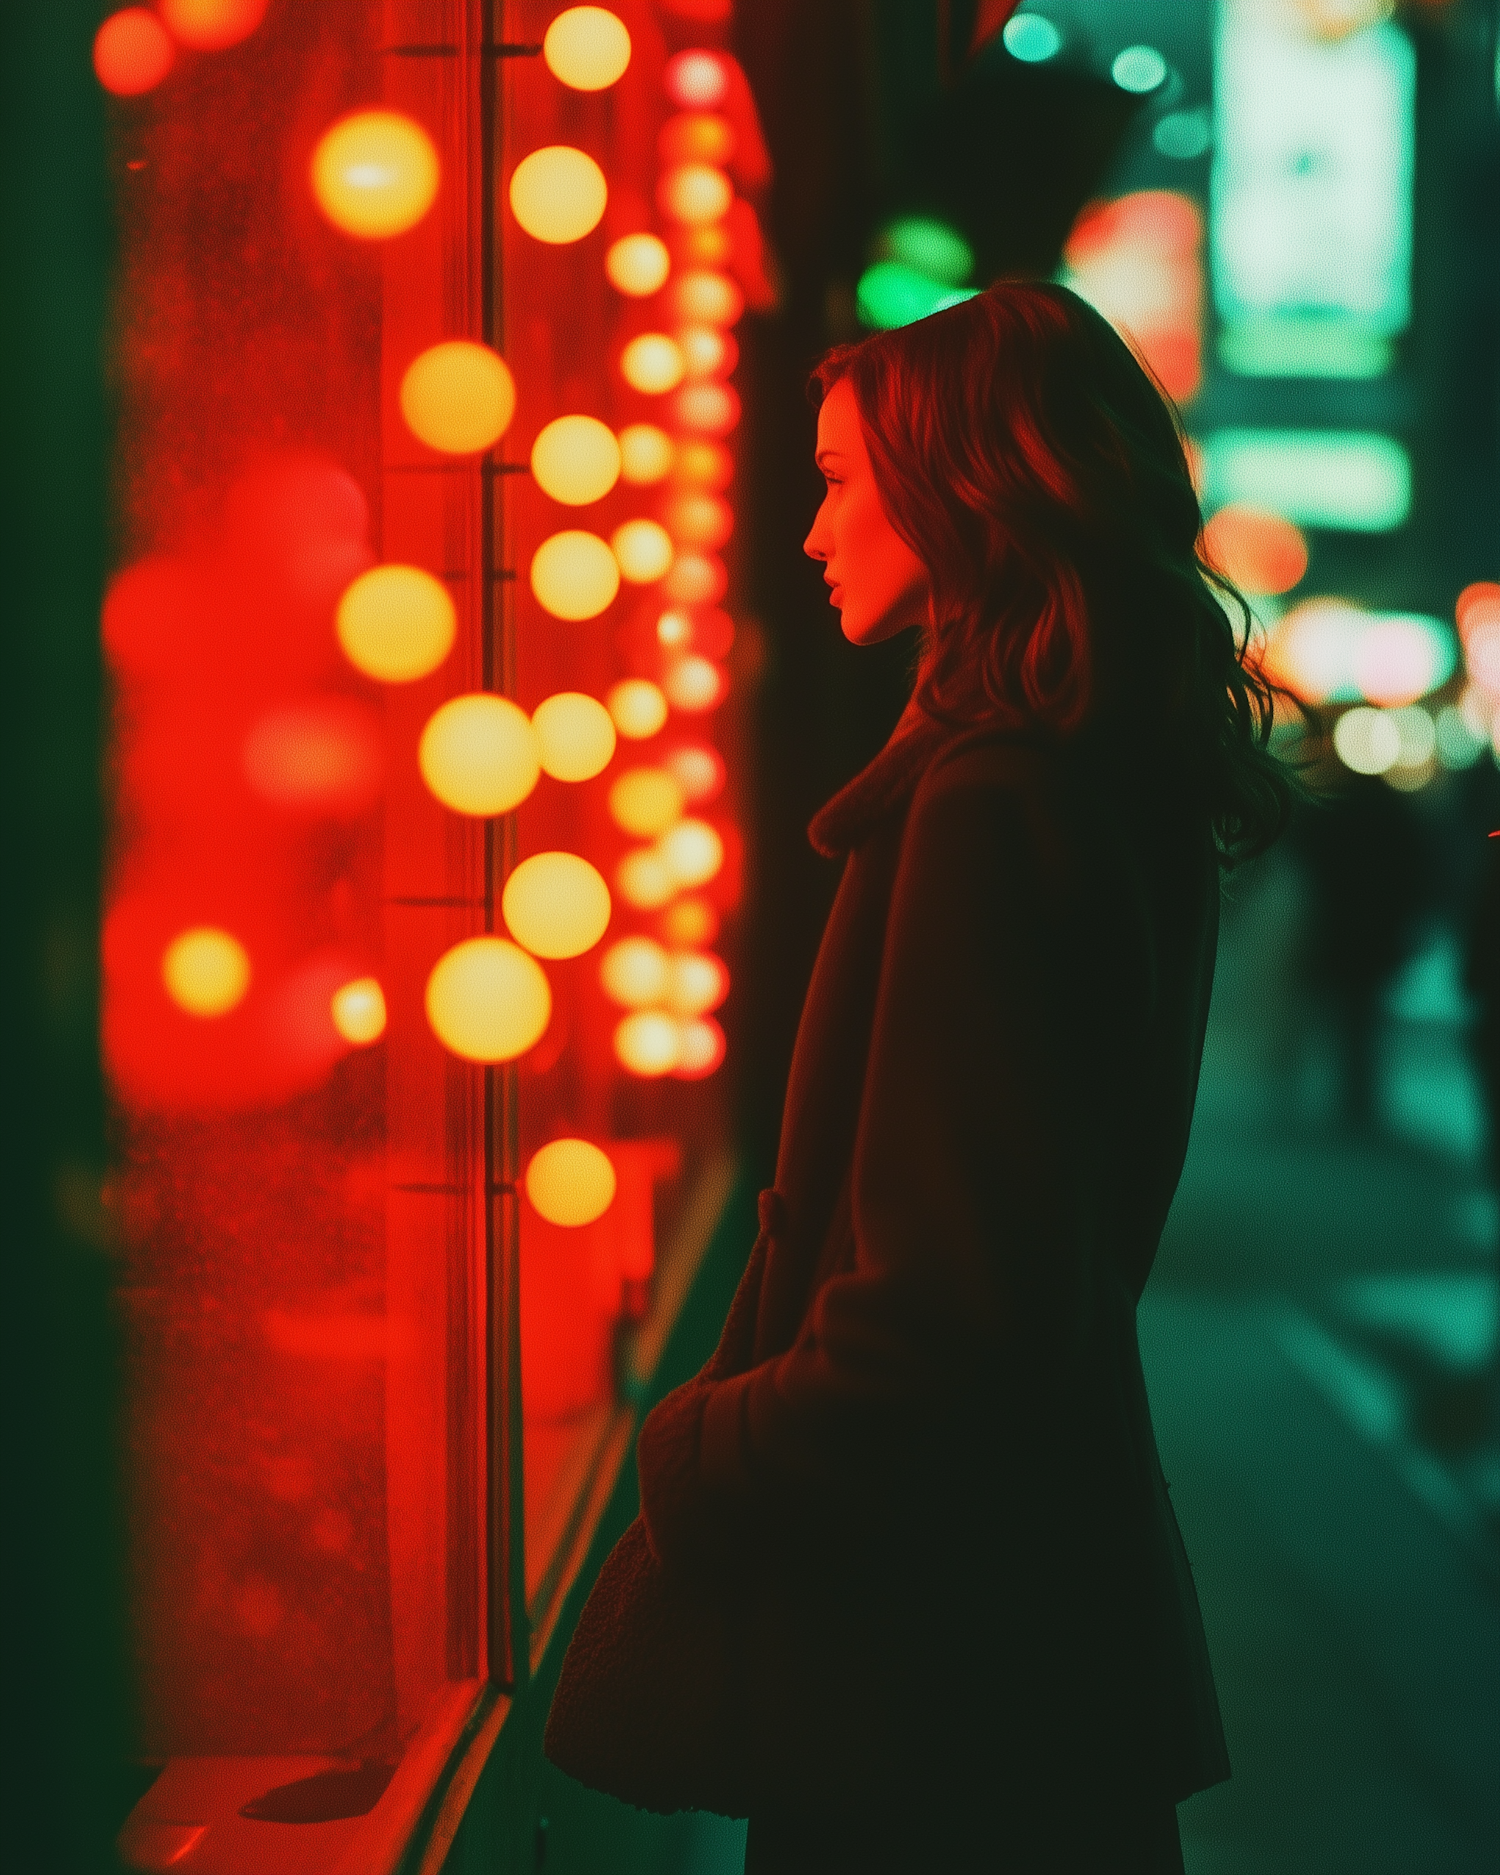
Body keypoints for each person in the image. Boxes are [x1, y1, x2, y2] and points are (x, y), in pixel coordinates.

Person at [547, 282, 1302, 1872]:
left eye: (834, 479)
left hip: (932, 1662)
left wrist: (696, 1448)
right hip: (1030, 1627)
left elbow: (944, 1305)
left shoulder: (993, 804)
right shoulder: (1100, 774)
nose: (809, 530)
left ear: (965, 487)